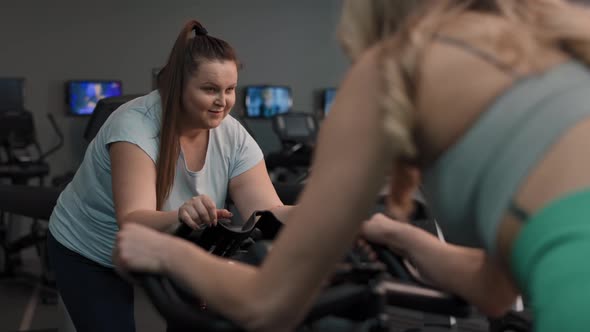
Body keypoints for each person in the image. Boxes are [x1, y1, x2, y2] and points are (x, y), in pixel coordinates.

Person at [114, 0, 590, 331]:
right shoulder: (561, 42)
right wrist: (396, 233)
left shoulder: (393, 66)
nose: (222, 102)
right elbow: (497, 288)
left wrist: (163, 253)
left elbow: (268, 307)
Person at [47, 20, 291, 332]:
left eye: (230, 90)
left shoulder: (232, 134)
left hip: (177, 244)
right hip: (91, 249)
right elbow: (133, 220)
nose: (223, 101)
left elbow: (268, 211)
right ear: (177, 85)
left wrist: (322, 215)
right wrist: (180, 215)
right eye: (210, 89)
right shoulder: (135, 126)